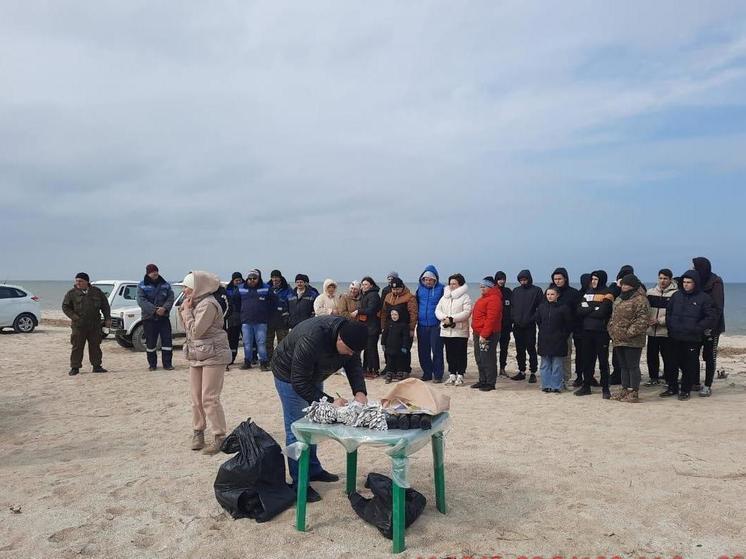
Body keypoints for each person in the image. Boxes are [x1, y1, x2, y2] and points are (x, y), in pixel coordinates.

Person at [272, 316, 369, 502]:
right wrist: (330, 401)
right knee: (297, 428)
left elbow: (354, 365)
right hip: (288, 376)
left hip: (315, 374)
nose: (350, 354)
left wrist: (360, 392)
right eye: (348, 350)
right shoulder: (313, 337)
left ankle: (314, 470)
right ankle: (300, 482)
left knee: (315, 423)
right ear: (339, 339)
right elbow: (299, 381)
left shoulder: (350, 337)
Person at [180, 271, 233, 455]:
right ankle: (198, 431)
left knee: (209, 398)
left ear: (197, 287)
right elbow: (187, 330)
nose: (184, 291)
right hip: (197, 354)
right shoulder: (193, 303)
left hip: (214, 354)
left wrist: (186, 312)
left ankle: (220, 436)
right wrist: (185, 310)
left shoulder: (208, 304)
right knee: (195, 397)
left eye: (187, 287)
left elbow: (196, 331)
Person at [663, 270, 718, 401]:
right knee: (671, 363)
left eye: (689, 282)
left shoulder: (704, 298)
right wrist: (670, 325)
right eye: (684, 282)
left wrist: (697, 328)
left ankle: (685, 390)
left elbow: (710, 316)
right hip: (675, 335)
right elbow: (669, 312)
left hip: (692, 338)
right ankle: (672, 387)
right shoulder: (676, 296)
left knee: (689, 365)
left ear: (695, 283)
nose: (686, 284)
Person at [607, 274, 650, 403]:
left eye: (627, 284)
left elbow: (642, 320)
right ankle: (624, 389)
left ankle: (634, 391)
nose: (624, 286)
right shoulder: (619, 298)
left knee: (632, 366)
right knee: (623, 366)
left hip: (633, 340)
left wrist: (628, 333)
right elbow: (613, 316)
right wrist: (611, 329)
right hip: (618, 338)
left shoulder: (641, 300)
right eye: (623, 284)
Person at [62, 272, 111, 376]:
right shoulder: (71, 293)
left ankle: (97, 366)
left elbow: (105, 306)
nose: (78, 283)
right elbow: (65, 307)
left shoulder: (97, 292)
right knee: (77, 346)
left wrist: (107, 318)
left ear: (87, 281)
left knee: (95, 346)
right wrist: (75, 317)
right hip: (79, 325)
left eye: (80, 281)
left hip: (95, 324)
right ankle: (75, 367)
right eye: (76, 281)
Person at [574, 270, 614, 398]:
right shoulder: (588, 292)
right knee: (587, 360)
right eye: (592, 279)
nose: (593, 282)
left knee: (603, 361)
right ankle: (586, 386)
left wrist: (589, 309)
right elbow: (579, 310)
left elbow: (603, 312)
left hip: (601, 332)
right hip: (587, 331)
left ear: (601, 280)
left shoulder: (608, 293)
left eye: (596, 279)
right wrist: (594, 307)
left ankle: (605, 388)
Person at [692, 257, 726, 396]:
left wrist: (710, 327)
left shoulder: (716, 282)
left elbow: (718, 308)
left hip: (712, 327)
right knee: (693, 355)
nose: (692, 269)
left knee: (709, 357)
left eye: (694, 267)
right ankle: (694, 382)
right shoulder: (697, 281)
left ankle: (707, 385)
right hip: (696, 326)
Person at [135, 264, 175, 371]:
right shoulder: (142, 285)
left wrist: (164, 309)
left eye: (156, 271)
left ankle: (167, 364)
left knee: (167, 342)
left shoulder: (165, 285)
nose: (155, 273)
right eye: (152, 272)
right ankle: (152, 364)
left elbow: (171, 298)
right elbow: (141, 301)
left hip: (164, 317)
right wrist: (155, 310)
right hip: (149, 318)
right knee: (151, 342)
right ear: (148, 273)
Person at [435, 273, 472, 386]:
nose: (452, 286)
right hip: (446, 331)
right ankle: (452, 375)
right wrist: (444, 318)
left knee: (460, 354)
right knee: (450, 354)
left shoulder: (465, 297)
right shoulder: (444, 297)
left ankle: (460, 375)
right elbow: (438, 310)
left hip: (460, 331)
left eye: (454, 283)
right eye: (450, 283)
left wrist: (452, 319)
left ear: (460, 284)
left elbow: (467, 312)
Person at [535, 286, 573, 393]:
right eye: (548, 294)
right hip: (544, 339)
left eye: (552, 294)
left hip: (559, 340)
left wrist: (563, 335)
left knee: (557, 364)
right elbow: (538, 320)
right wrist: (543, 331)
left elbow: (569, 324)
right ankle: (546, 385)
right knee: (545, 364)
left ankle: (556, 386)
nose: (550, 296)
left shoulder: (564, 308)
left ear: (557, 295)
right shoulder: (541, 307)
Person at [380, 276, 418, 382]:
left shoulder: (409, 297)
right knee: (390, 350)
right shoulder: (388, 296)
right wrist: (383, 327)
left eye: (397, 289)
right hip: (390, 328)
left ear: (402, 287)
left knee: (404, 350)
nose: (395, 291)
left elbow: (413, 314)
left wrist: (411, 328)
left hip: (404, 328)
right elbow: (384, 312)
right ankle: (390, 370)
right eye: (393, 289)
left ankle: (404, 370)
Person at [645, 269, 678, 387]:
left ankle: (669, 380)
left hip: (666, 332)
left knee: (668, 357)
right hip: (651, 331)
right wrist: (647, 320)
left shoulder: (675, 294)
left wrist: (660, 320)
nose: (662, 281)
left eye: (665, 278)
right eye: (660, 278)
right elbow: (645, 309)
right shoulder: (650, 292)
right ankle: (653, 377)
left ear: (670, 279)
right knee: (651, 356)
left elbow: (675, 313)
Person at [510, 270, 543, 383]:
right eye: (521, 280)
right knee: (520, 350)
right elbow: (512, 307)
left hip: (530, 325)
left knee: (531, 349)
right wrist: (514, 319)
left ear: (529, 279)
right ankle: (521, 371)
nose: (523, 282)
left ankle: (533, 372)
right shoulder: (516, 291)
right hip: (517, 325)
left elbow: (541, 308)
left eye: (525, 280)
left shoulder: (537, 290)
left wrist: (533, 319)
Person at [470, 276, 503, 392]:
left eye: (484, 286)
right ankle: (482, 379)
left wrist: (484, 334)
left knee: (488, 358)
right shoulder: (483, 298)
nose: (481, 288)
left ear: (490, 287)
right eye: (481, 286)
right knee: (479, 357)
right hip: (478, 332)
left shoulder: (494, 299)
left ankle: (490, 382)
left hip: (488, 333)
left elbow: (491, 319)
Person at [550, 267, 581, 385]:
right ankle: (554, 378)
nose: (557, 281)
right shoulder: (550, 291)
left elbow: (577, 312)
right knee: (551, 355)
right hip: (551, 329)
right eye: (555, 279)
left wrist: (570, 327)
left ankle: (565, 379)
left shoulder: (573, 293)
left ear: (565, 279)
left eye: (560, 279)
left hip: (566, 330)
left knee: (566, 354)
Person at [416, 265, 445, 383]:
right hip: (422, 324)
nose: (428, 282)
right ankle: (427, 373)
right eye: (425, 279)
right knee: (423, 350)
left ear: (435, 279)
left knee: (437, 350)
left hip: (436, 325)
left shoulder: (442, 289)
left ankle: (438, 375)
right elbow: (415, 304)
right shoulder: (419, 289)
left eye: (430, 280)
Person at [239, 269, 272, 371]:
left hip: (261, 321)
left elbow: (274, 302)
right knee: (247, 343)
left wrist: (268, 314)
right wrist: (242, 312)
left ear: (259, 278)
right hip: (246, 321)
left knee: (261, 343)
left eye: (254, 278)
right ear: (247, 279)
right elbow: (235, 302)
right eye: (250, 278)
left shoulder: (266, 288)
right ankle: (247, 362)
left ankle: (263, 363)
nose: (252, 280)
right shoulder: (241, 289)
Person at [608, 264, 635, 384]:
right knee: (617, 354)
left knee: (630, 357)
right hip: (617, 326)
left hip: (631, 326)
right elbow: (610, 297)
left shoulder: (637, 287)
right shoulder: (614, 286)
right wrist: (618, 285)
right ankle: (617, 374)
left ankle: (630, 380)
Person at [357, 276, 382, 378]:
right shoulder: (365, 295)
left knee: (372, 349)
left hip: (373, 326)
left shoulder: (374, 295)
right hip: (365, 326)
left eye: (366, 284)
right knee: (367, 348)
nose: (364, 286)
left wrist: (358, 311)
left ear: (371, 285)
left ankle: (374, 370)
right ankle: (366, 369)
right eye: (362, 284)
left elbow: (371, 310)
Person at [267, 270, 291, 362]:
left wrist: (288, 316)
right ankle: (270, 359)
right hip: (269, 319)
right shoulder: (267, 288)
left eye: (276, 277)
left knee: (283, 341)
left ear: (280, 278)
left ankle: (282, 359)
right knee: (268, 341)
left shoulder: (287, 289)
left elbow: (291, 302)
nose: (275, 279)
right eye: (273, 277)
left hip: (282, 319)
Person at [494, 271, 513, 377]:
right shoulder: (493, 292)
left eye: (503, 279)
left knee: (504, 348)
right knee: (492, 348)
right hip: (495, 326)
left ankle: (502, 368)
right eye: (499, 279)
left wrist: (511, 321)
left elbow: (513, 307)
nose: (501, 281)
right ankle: (492, 368)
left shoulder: (508, 292)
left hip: (506, 326)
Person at [225, 272, 244, 369]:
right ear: (233, 280)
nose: (238, 282)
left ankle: (252, 357)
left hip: (244, 316)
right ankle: (232, 358)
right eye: (236, 280)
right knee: (233, 339)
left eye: (239, 280)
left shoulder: (245, 288)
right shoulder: (228, 289)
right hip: (232, 318)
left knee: (248, 339)